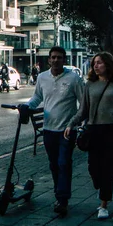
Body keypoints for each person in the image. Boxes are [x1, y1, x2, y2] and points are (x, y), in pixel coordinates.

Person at [64, 51, 113, 220]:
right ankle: (101, 188)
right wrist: (71, 124)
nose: (96, 65)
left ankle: (104, 204)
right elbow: (83, 110)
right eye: (94, 63)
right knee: (93, 167)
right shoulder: (90, 85)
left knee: (108, 168)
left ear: (108, 65)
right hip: (95, 129)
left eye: (100, 62)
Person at [26, 46, 84, 216]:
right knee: (54, 164)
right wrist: (27, 106)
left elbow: (83, 103)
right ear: (49, 59)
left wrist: (77, 123)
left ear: (64, 59)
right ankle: (59, 194)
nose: (56, 60)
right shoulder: (43, 77)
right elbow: (37, 97)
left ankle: (63, 199)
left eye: (59, 57)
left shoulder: (74, 79)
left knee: (64, 163)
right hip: (49, 129)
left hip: (67, 130)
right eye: (53, 57)